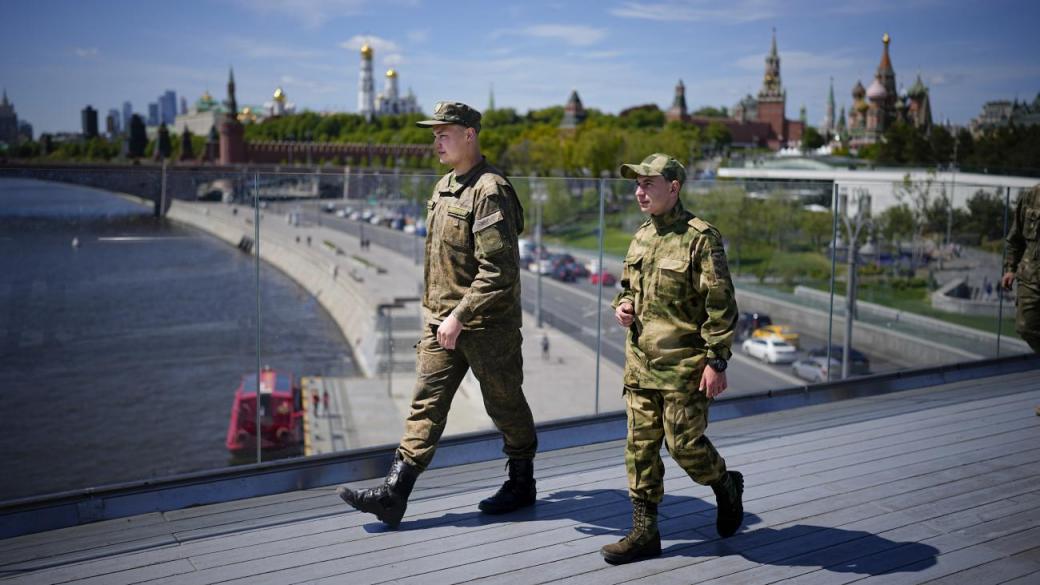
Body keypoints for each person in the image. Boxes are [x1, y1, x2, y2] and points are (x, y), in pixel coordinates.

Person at [337, 102, 538, 527]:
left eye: (444, 133)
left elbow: (498, 270)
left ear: (470, 135)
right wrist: (439, 315)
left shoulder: (490, 190)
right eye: (434, 134)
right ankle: (394, 493)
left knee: (505, 406)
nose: (436, 141)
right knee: (424, 406)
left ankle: (522, 482)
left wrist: (459, 316)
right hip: (441, 323)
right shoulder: (444, 186)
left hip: (486, 326)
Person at [601, 153, 743, 565]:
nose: (639, 191)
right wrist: (623, 304)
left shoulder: (702, 238)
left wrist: (717, 361)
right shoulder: (642, 235)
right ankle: (645, 532)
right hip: (640, 365)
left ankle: (725, 484)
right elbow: (627, 287)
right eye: (637, 184)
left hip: (684, 369)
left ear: (674, 187)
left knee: (685, 447)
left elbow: (722, 305)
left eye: (648, 184)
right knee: (640, 449)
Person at [1000, 185, 1040, 415]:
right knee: (1025, 326)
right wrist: (1009, 268)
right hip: (1031, 278)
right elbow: (1015, 239)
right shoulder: (1031, 196)